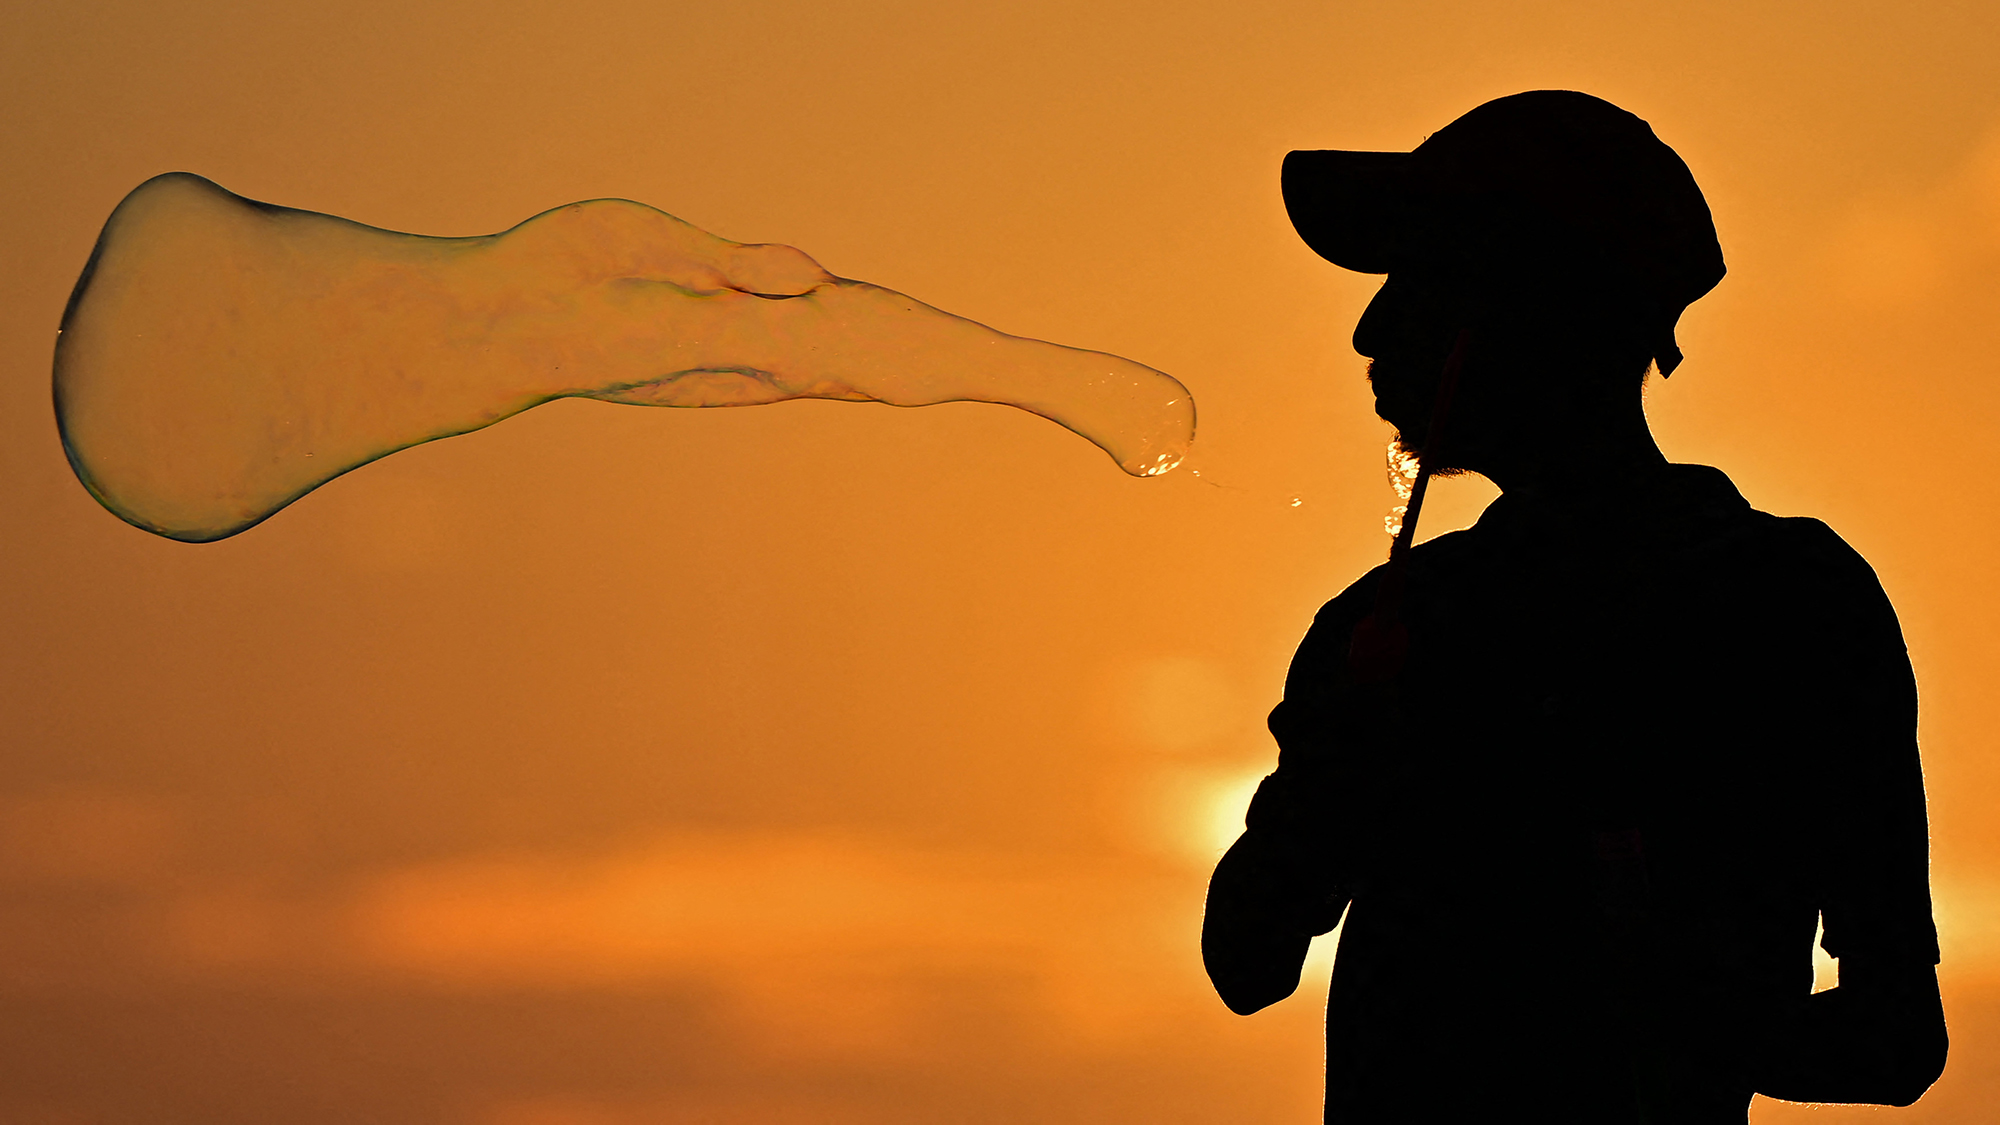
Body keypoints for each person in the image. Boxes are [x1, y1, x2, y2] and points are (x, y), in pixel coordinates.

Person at [1202, 90, 1947, 1123]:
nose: (1371, 331)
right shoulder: (1391, 622)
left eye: (1418, 283)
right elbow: (1245, 959)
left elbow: (1893, 1032)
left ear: (1528, 305)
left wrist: (1598, 1019)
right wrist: (1334, 764)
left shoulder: (1782, 604)